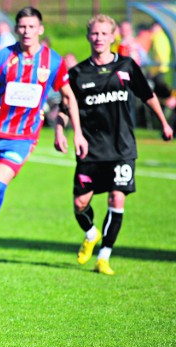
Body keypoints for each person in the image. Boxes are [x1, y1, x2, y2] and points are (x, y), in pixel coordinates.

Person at [0, 6, 88, 271]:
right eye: (22, 27)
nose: (26, 32)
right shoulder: (3, 57)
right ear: (16, 29)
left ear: (41, 29)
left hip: (23, 137)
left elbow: (68, 97)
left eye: (31, 27)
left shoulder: (53, 61)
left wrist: (72, 131)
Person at [54, 15, 173, 275]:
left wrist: (164, 123)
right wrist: (60, 130)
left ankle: (104, 256)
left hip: (122, 148)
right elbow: (64, 108)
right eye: (95, 34)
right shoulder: (77, 73)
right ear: (88, 37)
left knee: (117, 198)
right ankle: (91, 233)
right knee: (79, 203)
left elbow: (148, 95)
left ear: (113, 36)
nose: (99, 38)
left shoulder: (127, 66)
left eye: (104, 34)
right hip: (91, 148)